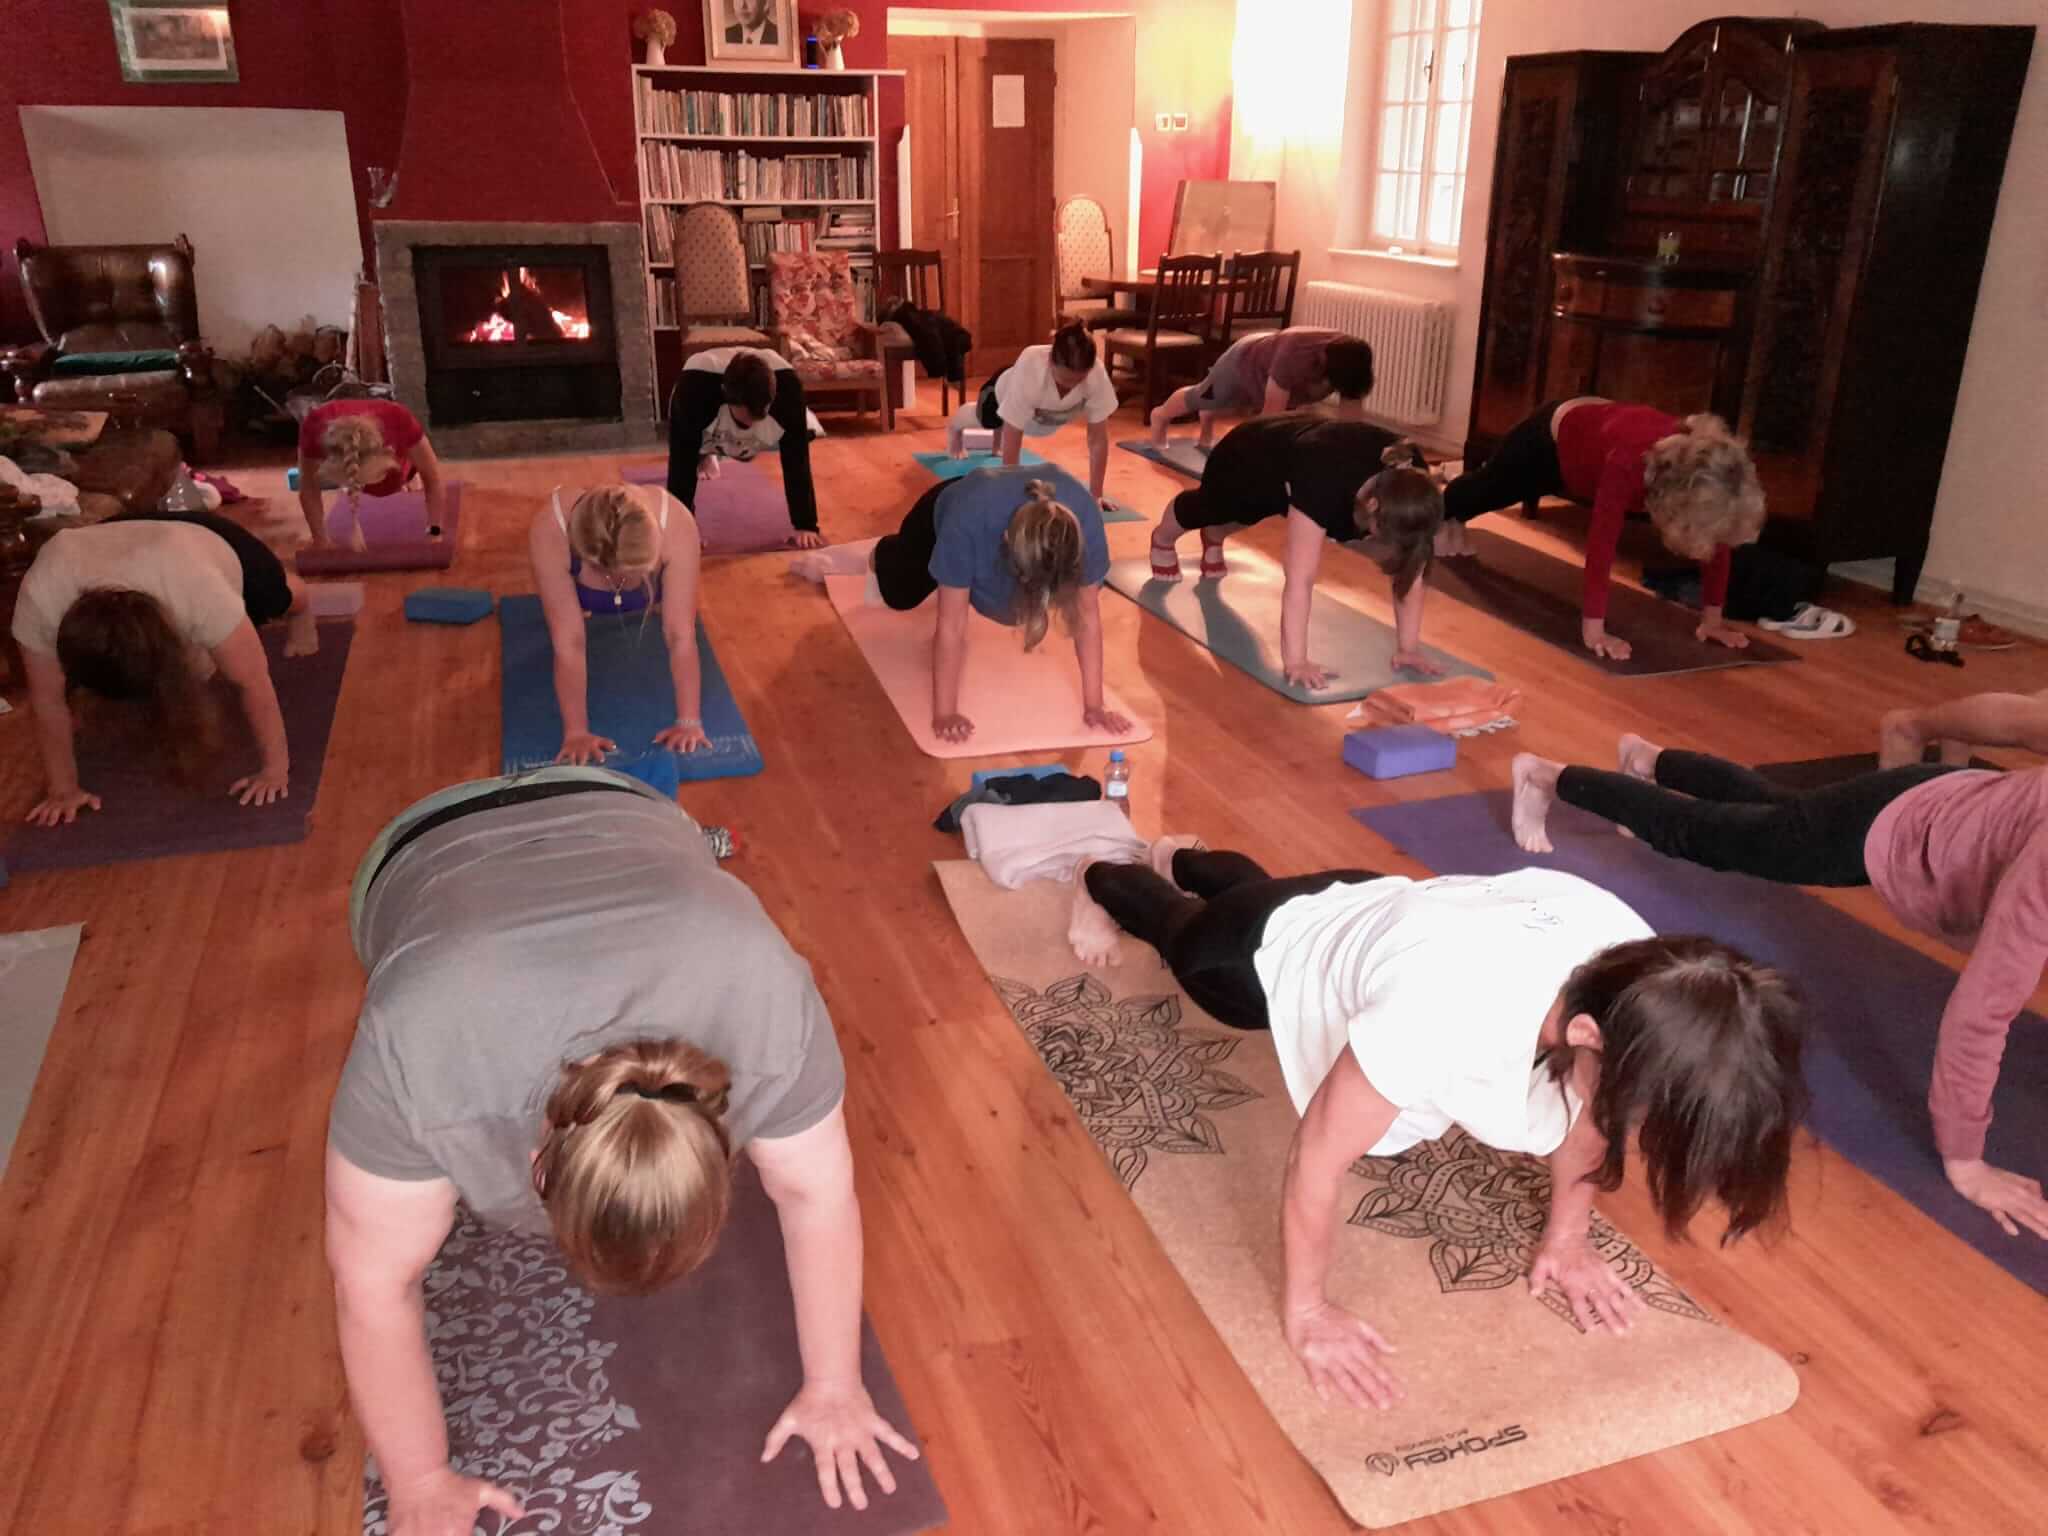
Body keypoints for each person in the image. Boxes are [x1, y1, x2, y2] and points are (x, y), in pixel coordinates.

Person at [325, 769, 918, 1536]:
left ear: (724, 1136)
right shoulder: (418, 1046)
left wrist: (836, 1387)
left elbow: (819, 1196)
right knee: (389, 1229)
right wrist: (418, 1479)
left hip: (626, 804)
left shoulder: (767, 998)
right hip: (421, 842)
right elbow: (371, 1288)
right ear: (533, 1172)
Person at [1066, 838, 1806, 1408]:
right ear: (1587, 1035)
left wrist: (1568, 1238)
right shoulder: (1444, 1008)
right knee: (1190, 937)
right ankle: (1103, 873)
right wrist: (1309, 1311)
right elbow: (1317, 1158)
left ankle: (1185, 855)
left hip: (1381, 908)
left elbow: (1595, 1110)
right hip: (1269, 957)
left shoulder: (1649, 980)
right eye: (1639, 1109)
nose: (1632, 1127)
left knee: (1266, 895)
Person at [1509, 704, 2048, 1243]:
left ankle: (1649, 761)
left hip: (1941, 802)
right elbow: (1980, 1014)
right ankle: (1546, 776)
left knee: (1777, 813)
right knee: (1702, 834)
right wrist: (1966, 1161)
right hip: (1899, 826)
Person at [790, 464, 1130, 745]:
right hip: (943, 510)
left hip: (995, 515)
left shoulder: (1083, 524)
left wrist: (1095, 706)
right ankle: (882, 552)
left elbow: (1088, 616)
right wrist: (945, 712)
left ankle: (954, 572)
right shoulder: (966, 523)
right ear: (1006, 544)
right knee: (899, 594)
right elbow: (951, 626)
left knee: (1010, 606)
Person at [11, 513, 316, 824]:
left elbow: (252, 681)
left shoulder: (201, 592)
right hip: (112, 535)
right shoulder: (42, 600)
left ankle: (301, 603)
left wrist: (275, 770)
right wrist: (63, 790)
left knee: (276, 597)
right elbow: (48, 700)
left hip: (205, 536)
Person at [1439, 399, 1766, 661]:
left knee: (1487, 495)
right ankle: (1436, 512)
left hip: (1591, 440)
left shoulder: (1711, 477)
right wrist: (1594, 630)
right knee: (1489, 490)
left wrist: (1712, 620)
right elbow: (1601, 545)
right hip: (1548, 440)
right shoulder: (1629, 462)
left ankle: (1452, 519)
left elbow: (1718, 538)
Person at [1148, 416, 1446, 689]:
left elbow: (1412, 566)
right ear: (1373, 506)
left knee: (1246, 515)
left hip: (1307, 462)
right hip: (1252, 455)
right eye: (1384, 534)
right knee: (1217, 508)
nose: (1384, 544)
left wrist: (1408, 648)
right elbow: (1299, 579)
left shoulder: (1415, 485)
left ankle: (1214, 536)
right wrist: (1296, 661)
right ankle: (1163, 538)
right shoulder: (1322, 481)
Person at [528, 483, 707, 764]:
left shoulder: (677, 523)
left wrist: (689, 721)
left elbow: (680, 635)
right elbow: (569, 644)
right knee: (569, 626)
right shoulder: (550, 529)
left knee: (672, 614)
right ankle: (592, 597)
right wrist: (576, 732)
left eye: (638, 570)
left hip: (656, 582)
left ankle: (649, 591)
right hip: (582, 588)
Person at [668, 346, 823, 549]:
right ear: (726, 395)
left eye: (759, 415)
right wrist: (682, 528)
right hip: (702, 387)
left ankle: (721, 445)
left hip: (769, 386)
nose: (751, 424)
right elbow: (681, 462)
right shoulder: (694, 390)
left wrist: (806, 524)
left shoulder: (788, 389)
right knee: (690, 444)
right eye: (747, 418)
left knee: (775, 441)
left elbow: (797, 458)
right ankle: (706, 454)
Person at [945, 321, 1117, 503]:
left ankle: (997, 438)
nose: (1071, 386)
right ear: (1050, 360)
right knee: (987, 421)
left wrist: (1096, 495)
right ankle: (955, 429)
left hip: (1044, 418)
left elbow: (1097, 440)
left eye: (1078, 381)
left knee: (1011, 421)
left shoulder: (1097, 375)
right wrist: (1010, 490)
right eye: (1064, 380)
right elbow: (1013, 432)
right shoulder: (1031, 365)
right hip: (1000, 393)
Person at [1148, 329, 1375, 450]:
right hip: (1244, 358)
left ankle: (1208, 416)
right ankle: (1160, 415)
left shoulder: (1352, 360)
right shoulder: (1294, 355)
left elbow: (1351, 425)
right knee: (1205, 396)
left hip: (1277, 363)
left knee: (1241, 406)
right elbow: (1270, 420)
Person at [296, 398, 449, 549]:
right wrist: (320, 540)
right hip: (348, 445)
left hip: (395, 455)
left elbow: (433, 479)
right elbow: (308, 488)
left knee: (392, 485)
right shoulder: (314, 427)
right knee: (366, 485)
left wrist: (434, 533)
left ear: (388, 452)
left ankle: (410, 474)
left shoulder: (399, 419)